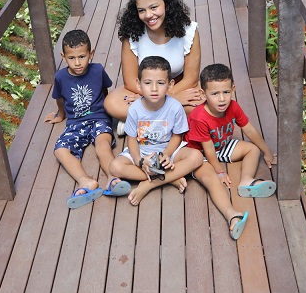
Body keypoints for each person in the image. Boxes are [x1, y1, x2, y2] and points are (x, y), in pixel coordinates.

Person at [184, 63, 277, 239]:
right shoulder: (199, 117)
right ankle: (232, 215)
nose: (221, 99)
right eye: (215, 94)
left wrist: (267, 151)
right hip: (198, 154)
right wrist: (219, 171)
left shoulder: (233, 106)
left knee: (252, 149)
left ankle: (246, 181)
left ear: (233, 89)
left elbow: (249, 130)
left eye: (226, 92)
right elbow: (208, 150)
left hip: (221, 145)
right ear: (204, 94)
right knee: (211, 180)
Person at [107, 56, 205, 207]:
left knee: (196, 157)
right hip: (142, 150)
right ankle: (171, 177)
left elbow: (177, 135)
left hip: (168, 150)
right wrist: (140, 161)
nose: (154, 89)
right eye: (147, 83)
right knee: (115, 167)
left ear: (170, 85)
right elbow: (131, 139)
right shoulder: (134, 109)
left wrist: (166, 154)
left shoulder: (175, 107)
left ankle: (150, 183)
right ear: (139, 85)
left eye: (160, 83)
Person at [104, 0, 203, 124]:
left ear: (167, 4)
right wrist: (164, 99)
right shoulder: (132, 33)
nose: (149, 15)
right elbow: (131, 82)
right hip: (145, 88)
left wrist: (161, 98)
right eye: (141, 10)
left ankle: (141, 119)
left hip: (177, 85)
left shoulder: (189, 31)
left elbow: (191, 79)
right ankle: (170, 118)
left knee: (209, 106)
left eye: (154, 7)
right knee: (112, 104)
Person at [44, 29, 124, 208]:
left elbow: (105, 92)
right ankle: (85, 181)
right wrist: (61, 115)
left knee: (102, 145)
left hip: (99, 119)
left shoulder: (97, 70)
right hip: (75, 123)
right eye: (72, 58)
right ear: (63, 57)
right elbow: (60, 99)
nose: (78, 63)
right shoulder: (61, 77)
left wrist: (108, 113)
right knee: (60, 150)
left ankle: (113, 178)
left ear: (91, 54)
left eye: (82, 56)